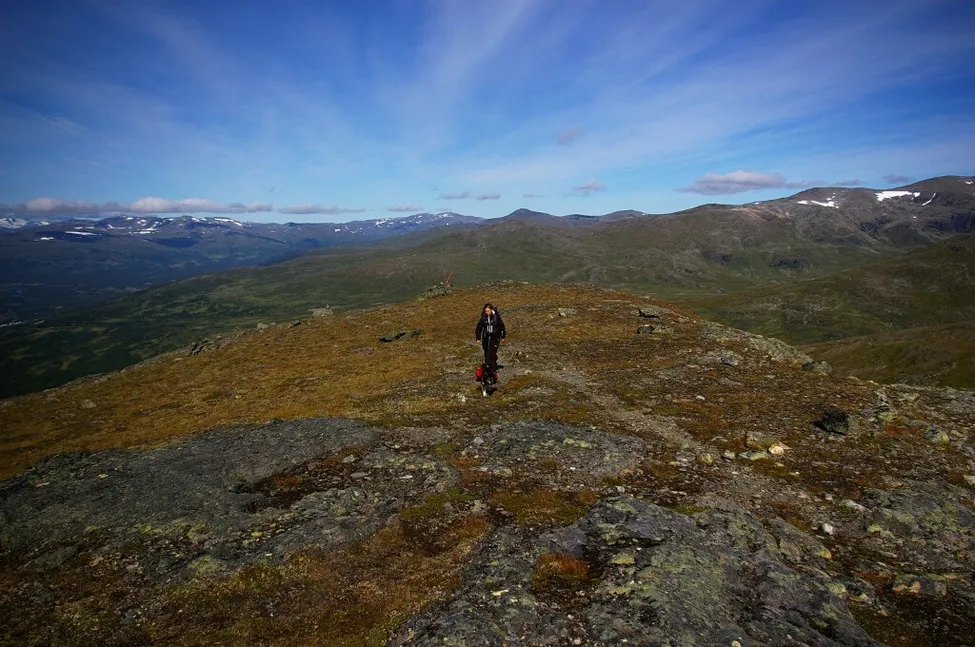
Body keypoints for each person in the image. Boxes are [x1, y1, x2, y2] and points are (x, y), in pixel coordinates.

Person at [475, 303, 506, 382]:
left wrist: (503, 336)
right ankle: (488, 368)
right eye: (486, 311)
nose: (487, 313)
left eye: (488, 311)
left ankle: (494, 370)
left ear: (491, 310)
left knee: (492, 353)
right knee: (487, 353)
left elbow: (502, 326)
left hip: (495, 337)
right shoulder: (484, 317)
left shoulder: (496, 317)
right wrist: (478, 338)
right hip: (486, 337)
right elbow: (479, 327)